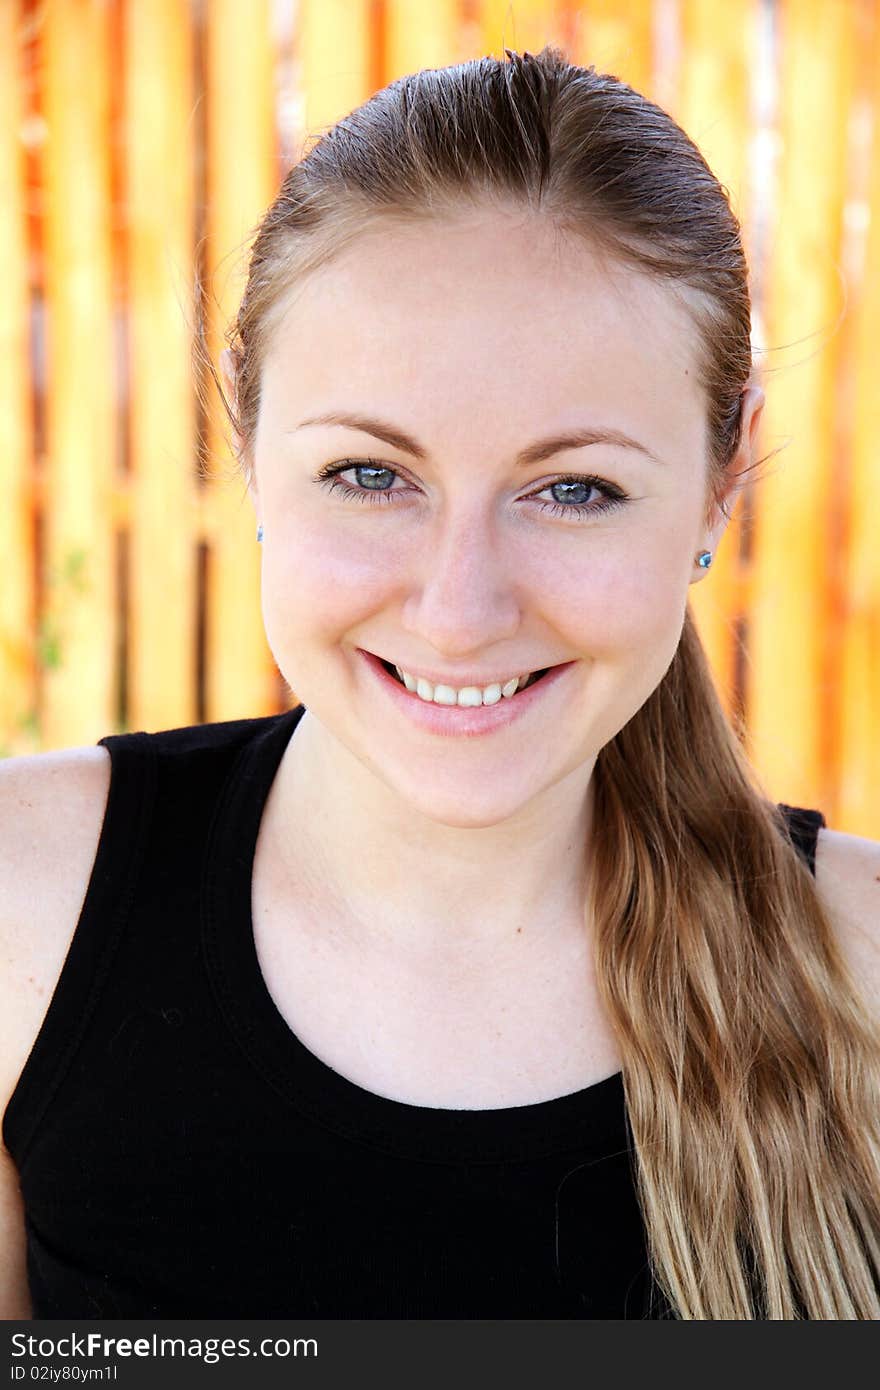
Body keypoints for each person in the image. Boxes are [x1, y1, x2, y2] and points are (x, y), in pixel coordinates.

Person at [1, 45, 879, 1322]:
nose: (459, 611)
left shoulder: (862, 975)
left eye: (573, 488)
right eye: (371, 473)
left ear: (719, 482)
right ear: (248, 443)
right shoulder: (23, 912)